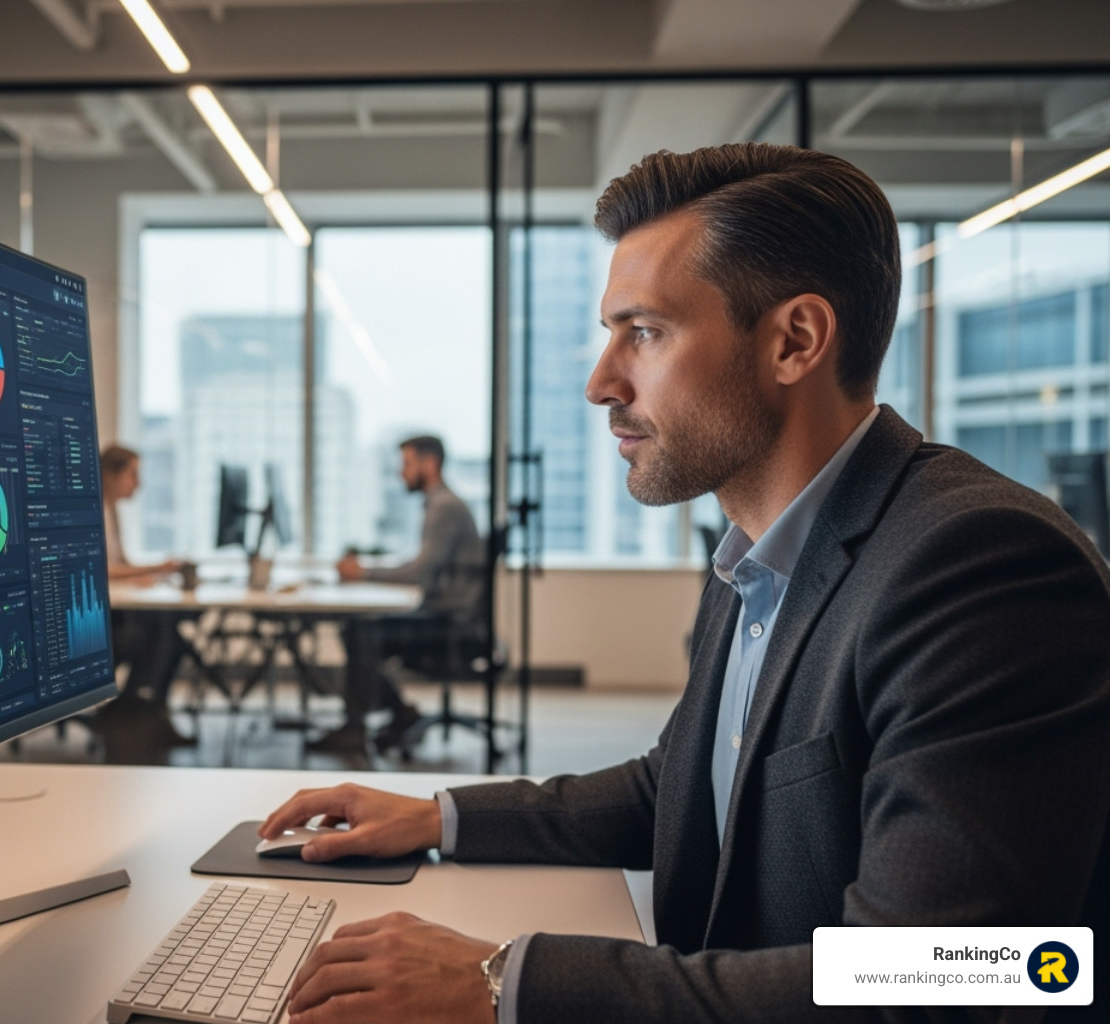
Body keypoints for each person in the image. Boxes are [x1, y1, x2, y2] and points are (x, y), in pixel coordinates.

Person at [260, 143, 1110, 1023]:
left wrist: (502, 983)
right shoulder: (756, 549)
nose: (601, 383)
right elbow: (679, 789)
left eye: (647, 332)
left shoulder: (978, 565)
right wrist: (436, 817)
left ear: (795, 340)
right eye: (610, 333)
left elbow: (961, 975)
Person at [308, 435, 484, 756]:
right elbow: (422, 565)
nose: (400, 473)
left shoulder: (444, 507)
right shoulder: (442, 504)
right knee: (360, 629)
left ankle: (357, 728)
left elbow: (419, 572)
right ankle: (393, 714)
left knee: (361, 632)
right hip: (448, 617)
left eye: (406, 465)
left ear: (429, 464)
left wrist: (362, 572)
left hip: (451, 627)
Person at [93, 444, 196, 758]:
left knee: (174, 639)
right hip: (102, 624)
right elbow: (103, 569)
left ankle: (147, 713)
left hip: (116, 610)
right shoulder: (93, 509)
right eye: (133, 474)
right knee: (159, 635)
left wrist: (144, 576)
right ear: (110, 475)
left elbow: (119, 563)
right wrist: (156, 568)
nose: (138, 484)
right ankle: (131, 712)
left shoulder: (111, 510)